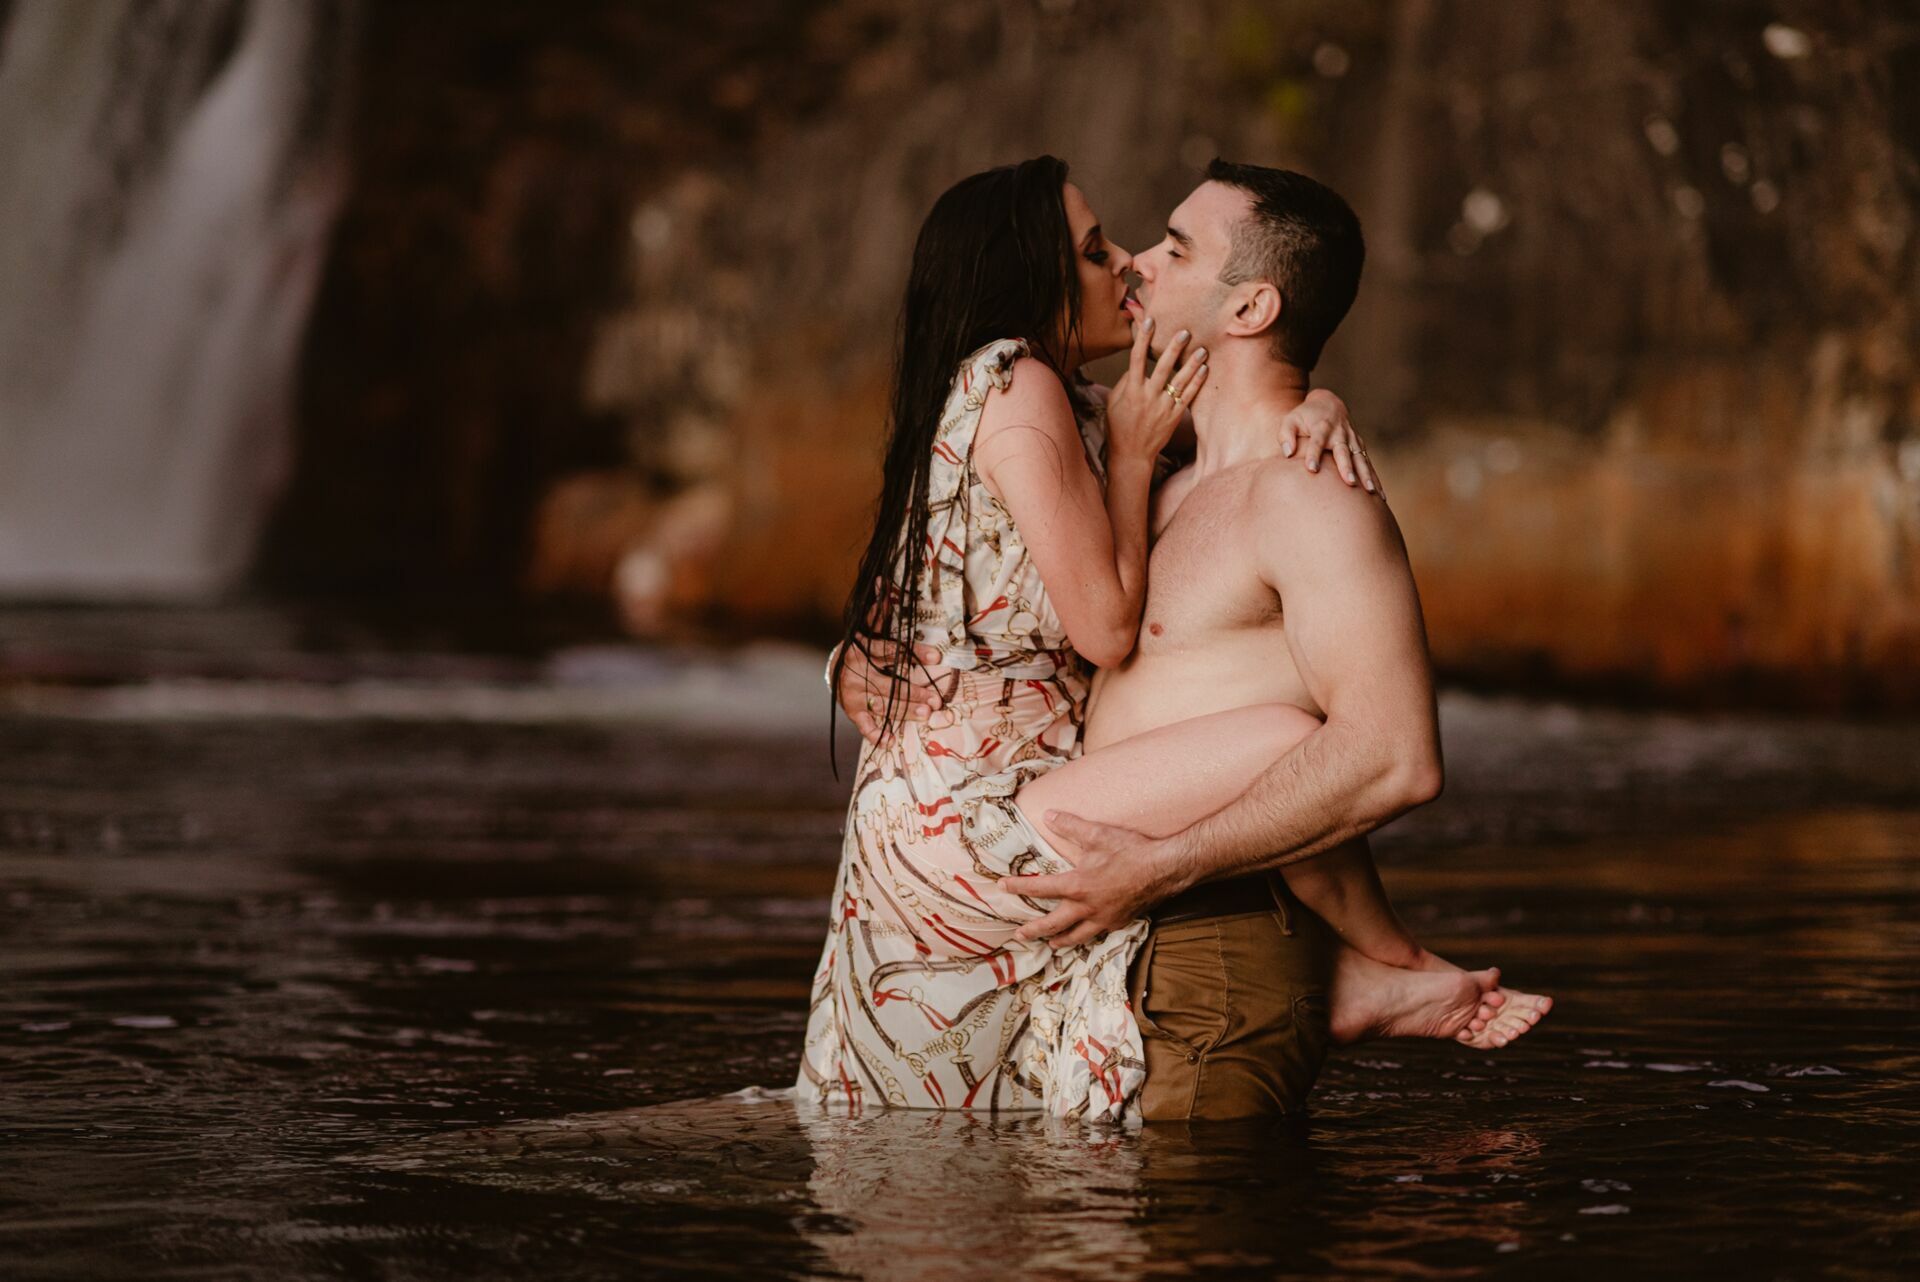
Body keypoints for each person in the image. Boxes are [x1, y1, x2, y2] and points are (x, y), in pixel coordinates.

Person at [829, 160, 1550, 1124]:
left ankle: (1376, 972)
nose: (1135, 266)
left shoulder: (1308, 493)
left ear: (1249, 307)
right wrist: (856, 655)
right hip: (1104, 928)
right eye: (1122, 248)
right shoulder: (1144, 467)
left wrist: (1163, 866)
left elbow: (1396, 758)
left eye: (1173, 249)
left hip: (1217, 932)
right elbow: (975, 576)